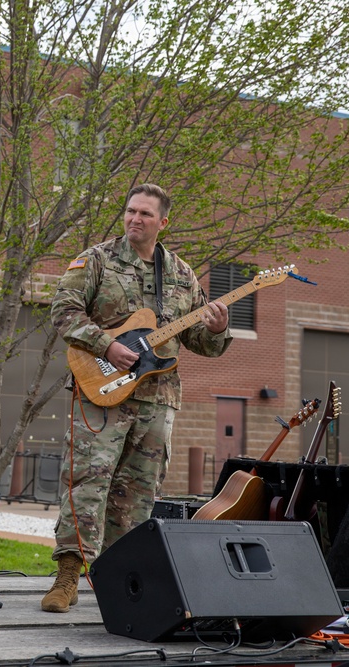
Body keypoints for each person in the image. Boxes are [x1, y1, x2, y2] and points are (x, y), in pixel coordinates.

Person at [43, 183, 232, 612]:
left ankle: (117, 584)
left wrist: (217, 330)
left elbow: (198, 341)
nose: (134, 219)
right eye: (130, 211)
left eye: (145, 214)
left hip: (158, 398)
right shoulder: (96, 259)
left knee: (138, 496)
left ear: (163, 222)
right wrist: (105, 346)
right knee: (87, 483)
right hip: (101, 391)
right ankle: (67, 577)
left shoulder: (182, 275)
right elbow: (63, 310)